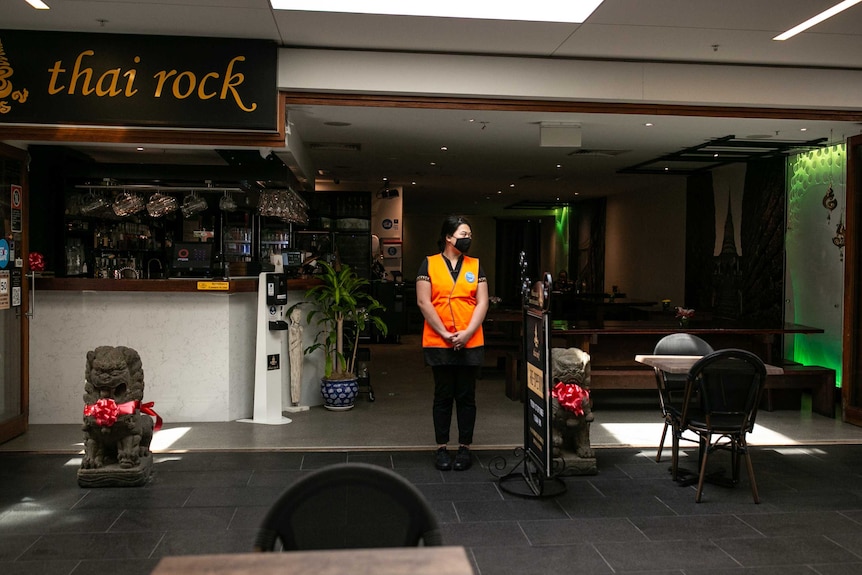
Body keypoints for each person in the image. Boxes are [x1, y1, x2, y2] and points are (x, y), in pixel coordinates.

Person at [416, 215, 489, 471]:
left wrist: (467, 333)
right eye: (462, 234)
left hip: (470, 341)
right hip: (439, 341)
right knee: (443, 395)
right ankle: (442, 448)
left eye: (469, 235)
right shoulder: (429, 264)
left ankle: (465, 448)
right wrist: (445, 334)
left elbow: (482, 302)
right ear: (448, 237)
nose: (467, 239)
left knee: (467, 396)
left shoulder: (476, 266)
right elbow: (424, 302)